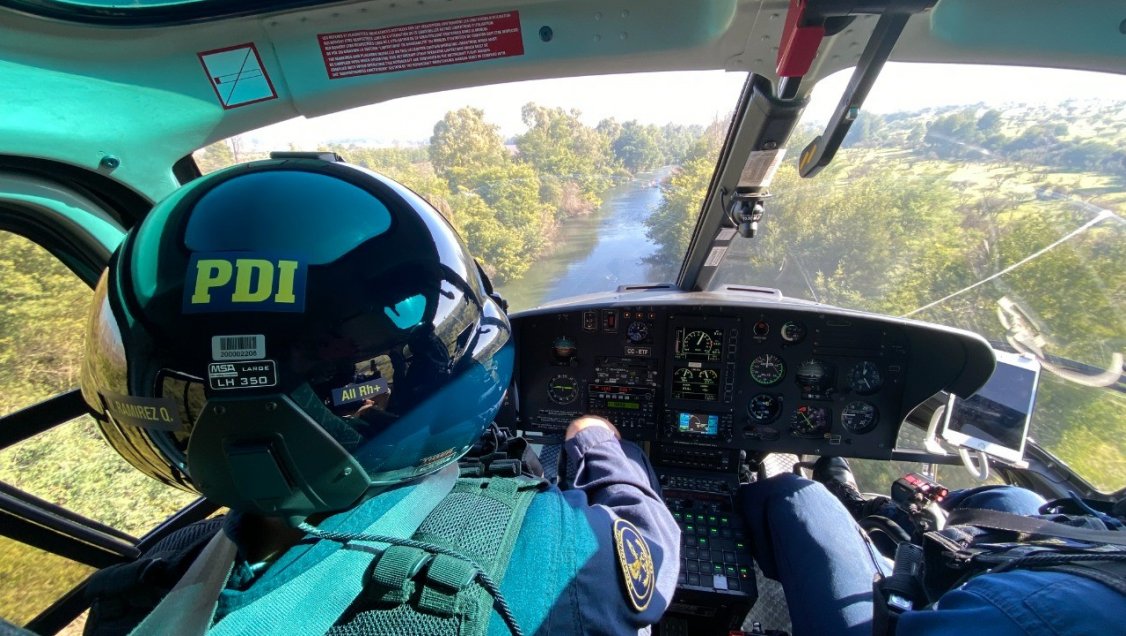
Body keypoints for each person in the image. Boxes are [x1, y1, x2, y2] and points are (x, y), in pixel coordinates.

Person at [79, 157, 679, 635]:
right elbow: (654, 562)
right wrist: (597, 441)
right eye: (332, 349)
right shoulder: (541, 550)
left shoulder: (140, 589)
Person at [739, 457, 1126, 635]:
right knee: (1012, 499)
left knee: (796, 496)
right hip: (1044, 569)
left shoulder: (1035, 617)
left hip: (919, 619)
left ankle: (866, 526)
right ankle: (884, 514)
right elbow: (1097, 522)